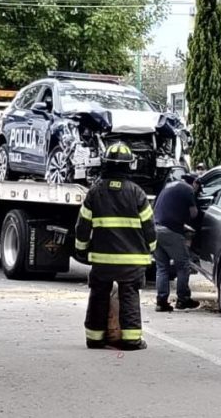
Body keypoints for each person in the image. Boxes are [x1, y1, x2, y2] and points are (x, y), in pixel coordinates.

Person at [74, 143, 157, 351]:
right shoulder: (137, 193)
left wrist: (81, 250)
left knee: (98, 295)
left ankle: (94, 338)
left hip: (102, 260)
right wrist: (151, 248)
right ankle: (131, 340)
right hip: (132, 259)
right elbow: (149, 227)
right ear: (129, 166)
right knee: (129, 295)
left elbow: (82, 226)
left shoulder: (95, 192)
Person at [152, 173, 200, 311]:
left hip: (156, 228)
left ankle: (161, 302)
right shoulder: (188, 189)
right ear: (195, 182)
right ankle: (183, 299)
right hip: (170, 230)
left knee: (162, 267)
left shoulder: (169, 186)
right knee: (183, 265)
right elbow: (194, 213)